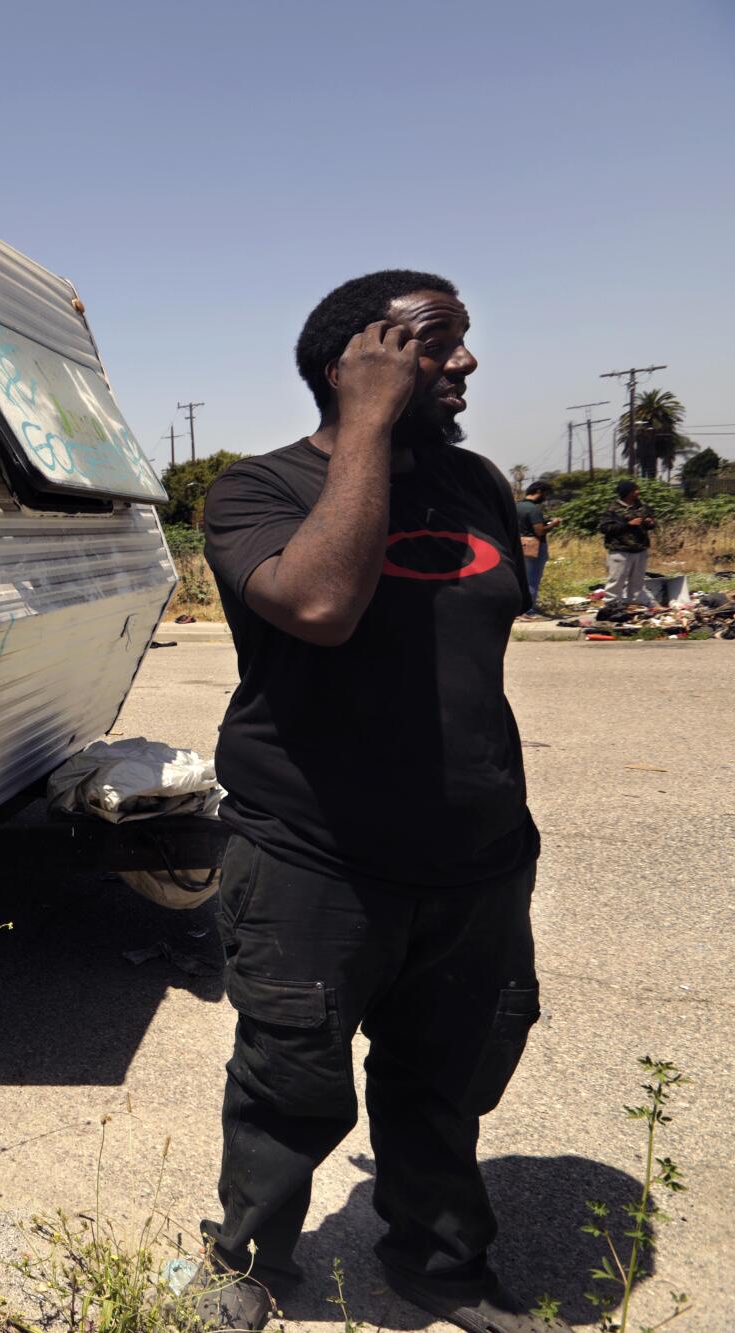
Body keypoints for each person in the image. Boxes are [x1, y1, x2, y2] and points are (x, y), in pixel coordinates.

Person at [192, 271, 543, 1333]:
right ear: (358, 360)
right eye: (435, 343)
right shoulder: (255, 493)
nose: (464, 363)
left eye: (463, 341)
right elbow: (319, 603)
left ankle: (438, 1266)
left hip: (474, 859)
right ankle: (243, 1261)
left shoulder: (475, 483)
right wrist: (365, 427)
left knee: (444, 1077)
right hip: (312, 856)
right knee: (286, 1083)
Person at [598, 479, 656, 607]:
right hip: (620, 549)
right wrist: (627, 525)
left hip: (640, 548)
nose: (637, 492)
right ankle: (612, 605)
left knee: (637, 580)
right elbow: (604, 528)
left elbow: (651, 523)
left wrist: (649, 523)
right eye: (634, 490)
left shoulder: (642, 506)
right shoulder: (613, 509)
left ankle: (635, 603)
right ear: (627, 492)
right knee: (616, 579)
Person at [514, 480, 554, 618]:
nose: (546, 498)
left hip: (518, 545)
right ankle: (529, 610)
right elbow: (540, 531)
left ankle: (520, 608)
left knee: (521, 578)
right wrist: (553, 524)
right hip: (533, 546)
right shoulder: (534, 509)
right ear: (539, 492)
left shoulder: (517, 506)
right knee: (532, 579)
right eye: (546, 494)